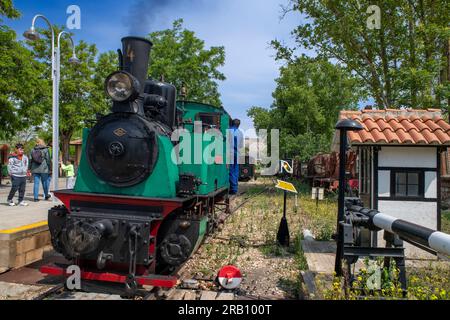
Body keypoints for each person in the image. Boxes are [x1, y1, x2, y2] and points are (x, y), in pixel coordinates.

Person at [229, 118, 243, 195]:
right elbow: (241, 145)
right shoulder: (240, 133)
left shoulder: (229, 131)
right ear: (238, 125)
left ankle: (233, 188)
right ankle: (235, 188)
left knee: (231, 170)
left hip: (230, 153)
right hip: (237, 153)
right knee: (236, 170)